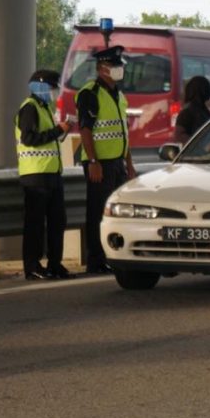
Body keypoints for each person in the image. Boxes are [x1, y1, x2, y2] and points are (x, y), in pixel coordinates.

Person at [76, 45, 136, 274]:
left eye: (120, 65)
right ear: (102, 69)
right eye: (115, 65)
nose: (120, 69)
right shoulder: (89, 93)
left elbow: (124, 133)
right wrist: (93, 161)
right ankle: (96, 259)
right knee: (97, 211)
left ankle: (113, 255)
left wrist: (129, 164)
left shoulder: (119, 95)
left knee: (115, 212)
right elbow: (85, 130)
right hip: (99, 163)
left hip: (117, 163)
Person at [15, 70, 74, 280]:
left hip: (52, 173)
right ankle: (32, 266)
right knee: (35, 224)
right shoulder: (30, 108)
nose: (54, 92)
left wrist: (61, 129)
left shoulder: (45, 108)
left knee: (58, 221)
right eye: (51, 87)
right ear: (39, 87)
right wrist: (58, 130)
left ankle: (54, 264)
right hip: (35, 175)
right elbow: (29, 138)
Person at [173, 75, 210, 144]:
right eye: (208, 89)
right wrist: (199, 144)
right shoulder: (187, 112)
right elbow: (179, 135)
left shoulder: (203, 110)